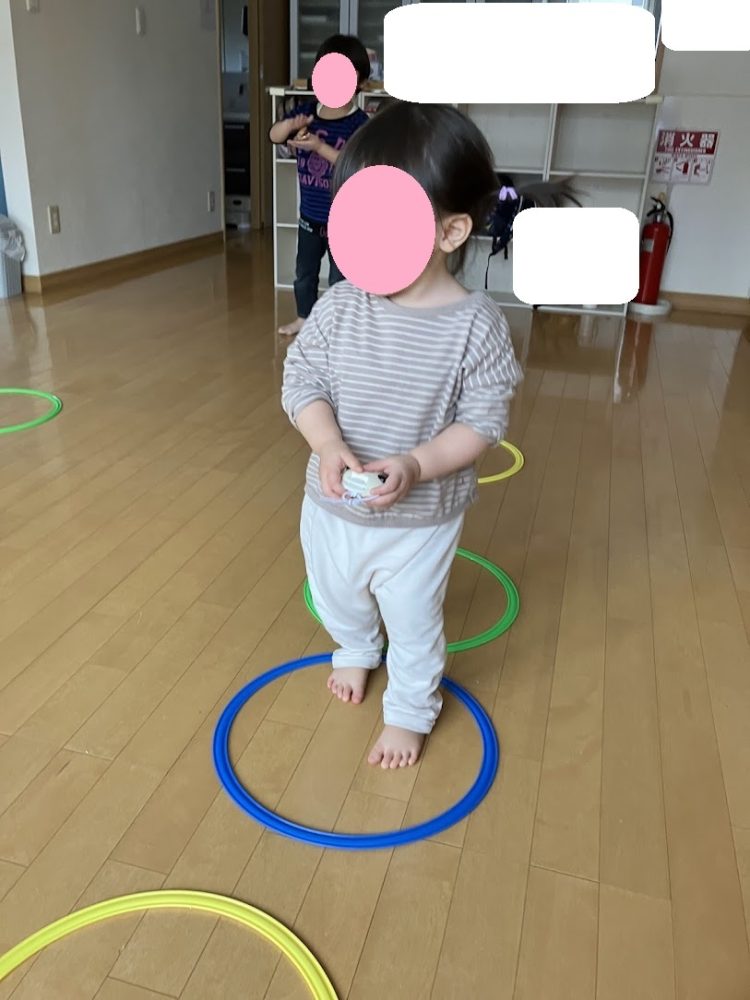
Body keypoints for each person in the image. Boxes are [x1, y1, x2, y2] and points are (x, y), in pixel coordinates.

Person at [281, 102, 523, 769]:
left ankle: (412, 709)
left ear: (450, 231)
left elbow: (483, 422)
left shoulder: (475, 326)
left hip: (420, 518)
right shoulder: (340, 304)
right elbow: (302, 380)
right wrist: (326, 443)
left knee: (414, 619)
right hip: (331, 503)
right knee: (336, 594)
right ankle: (357, 647)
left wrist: (417, 464)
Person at [269, 35, 371, 336]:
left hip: (344, 220)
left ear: (360, 82)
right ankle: (305, 318)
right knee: (305, 273)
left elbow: (356, 165)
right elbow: (274, 136)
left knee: (341, 280)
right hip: (309, 216)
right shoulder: (307, 112)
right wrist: (289, 126)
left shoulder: (360, 123)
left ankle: (338, 327)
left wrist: (318, 147)